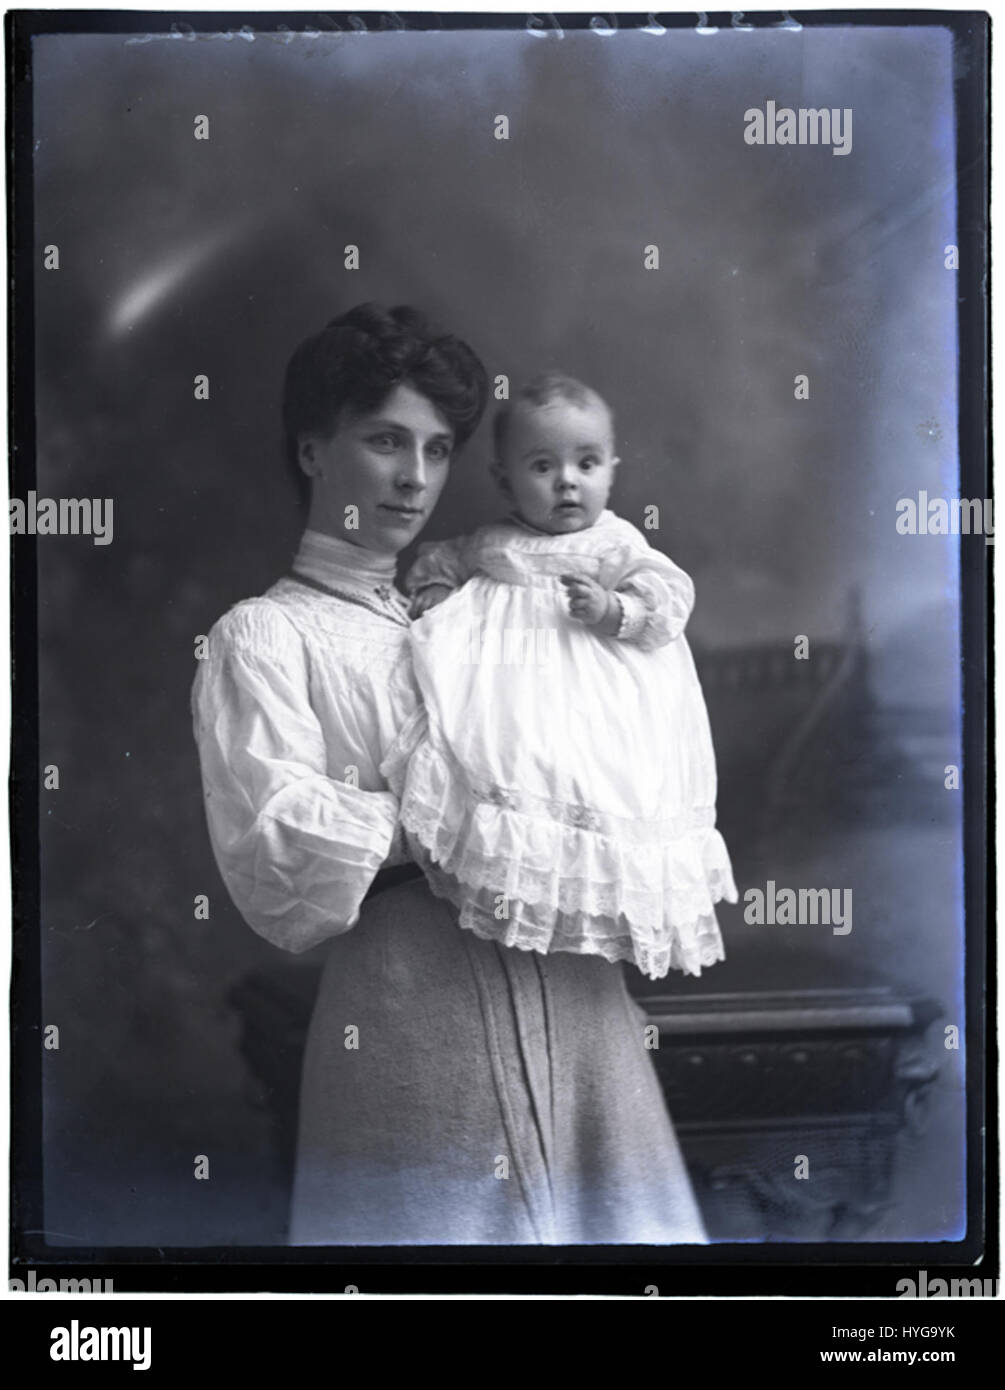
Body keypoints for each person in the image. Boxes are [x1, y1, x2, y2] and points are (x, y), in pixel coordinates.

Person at [191, 306, 709, 1244]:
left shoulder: (488, 603)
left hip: (584, 1014)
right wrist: (451, 812)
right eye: (385, 441)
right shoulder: (267, 637)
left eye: (436, 450)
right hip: (410, 1032)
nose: (413, 478)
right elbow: (273, 847)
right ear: (312, 449)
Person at [385, 372, 737, 981]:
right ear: (505, 479)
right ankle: (514, 903)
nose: (567, 481)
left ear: (611, 471)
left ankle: (581, 912)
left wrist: (613, 610)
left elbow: (669, 598)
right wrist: (439, 587)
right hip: (511, 709)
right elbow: (439, 559)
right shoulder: (493, 543)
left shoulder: (615, 544)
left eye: (587, 463)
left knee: (586, 790)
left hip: (593, 712)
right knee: (510, 780)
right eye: (543, 466)